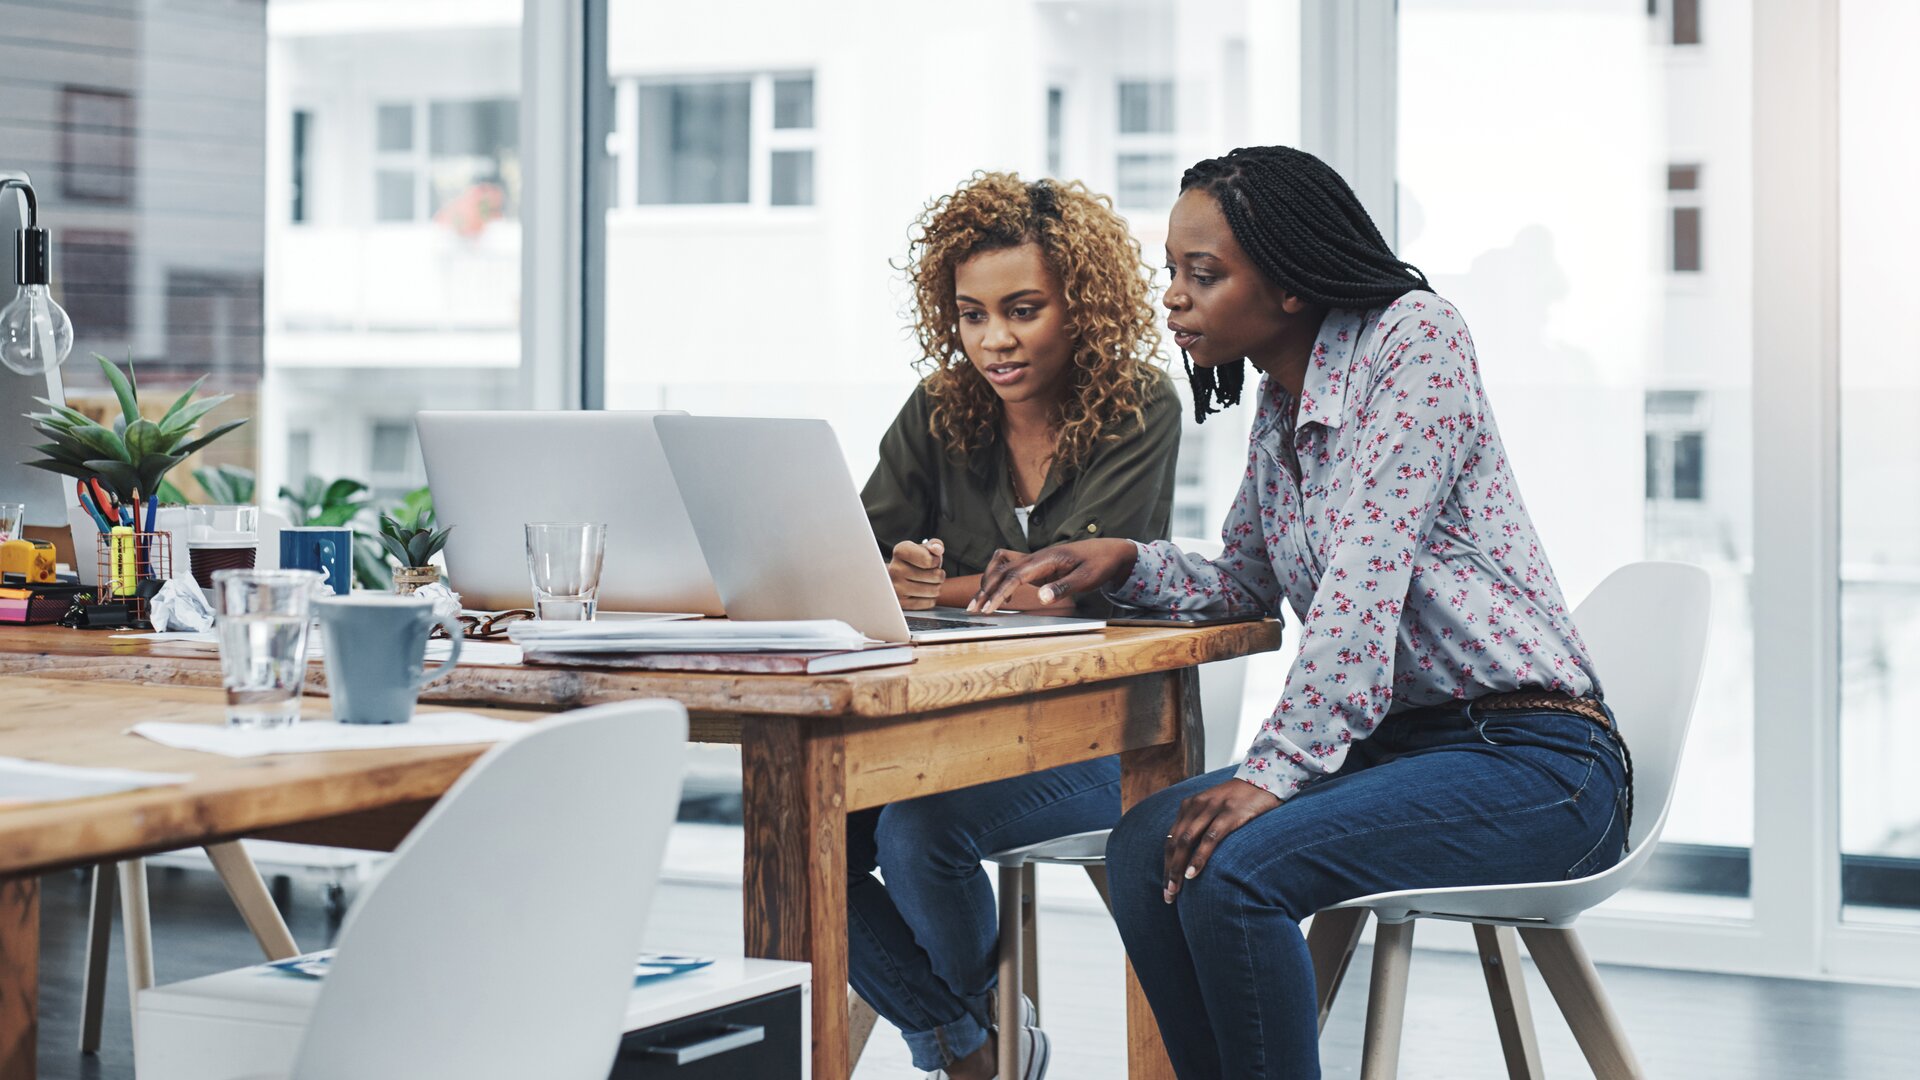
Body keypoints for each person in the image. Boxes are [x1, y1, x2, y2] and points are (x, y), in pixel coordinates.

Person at [971, 146, 1630, 1080]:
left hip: (1536, 757)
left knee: (1234, 869)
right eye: (1172, 271)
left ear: (1288, 285)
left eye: (1204, 274)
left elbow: (1363, 591)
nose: (1173, 298)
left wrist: (1275, 774)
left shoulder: (1416, 341)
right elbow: (1244, 581)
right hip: (1405, 749)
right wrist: (1122, 562)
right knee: (1144, 843)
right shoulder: (1282, 404)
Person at [852, 171, 1179, 1080]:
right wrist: (894, 574)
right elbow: (852, 563)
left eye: (1023, 309)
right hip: (947, 728)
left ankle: (968, 1052)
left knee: (919, 836)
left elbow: (1060, 592)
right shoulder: (937, 410)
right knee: (803, 832)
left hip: (1102, 737)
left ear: (1081, 304)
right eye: (971, 314)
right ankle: (976, 1043)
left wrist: (931, 590)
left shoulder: (1139, 406)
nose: (993, 340)